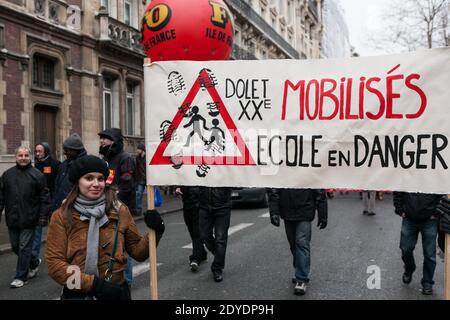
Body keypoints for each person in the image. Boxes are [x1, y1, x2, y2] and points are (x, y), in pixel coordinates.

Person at [45, 155, 165, 300]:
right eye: (89, 178)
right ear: (78, 181)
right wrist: (95, 285)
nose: (96, 184)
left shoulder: (119, 210)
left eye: (100, 179)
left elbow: (138, 252)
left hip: (116, 293)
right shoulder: (61, 216)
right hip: (77, 295)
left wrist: (157, 230)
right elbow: (55, 265)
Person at [0, 146, 50, 288]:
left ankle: (21, 277)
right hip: (12, 219)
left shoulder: (37, 175)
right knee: (16, 246)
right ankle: (34, 262)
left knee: (24, 248)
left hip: (30, 219)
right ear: (16, 157)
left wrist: (42, 218)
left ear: (30, 157)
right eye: (20, 155)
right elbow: (1, 197)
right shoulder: (7, 175)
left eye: (26, 155)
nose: (23, 158)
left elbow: (44, 198)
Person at [268, 188, 328, 295]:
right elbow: (274, 189)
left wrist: (323, 213)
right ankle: (300, 268)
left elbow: (319, 189)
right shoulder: (283, 171)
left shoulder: (311, 170)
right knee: (293, 244)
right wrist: (274, 212)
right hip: (287, 210)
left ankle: (301, 278)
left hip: (305, 209)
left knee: (301, 242)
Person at [98, 128, 136, 286]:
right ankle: (112, 275)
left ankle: (125, 279)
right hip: (106, 207)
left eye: (105, 138)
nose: (102, 141)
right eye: (101, 139)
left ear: (114, 141)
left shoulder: (125, 158)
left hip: (121, 208)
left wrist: (113, 198)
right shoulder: (106, 158)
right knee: (110, 242)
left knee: (124, 244)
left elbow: (127, 183)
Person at [393, 191, 443, 295]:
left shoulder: (435, 174)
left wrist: (436, 212)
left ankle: (427, 282)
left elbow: (441, 191)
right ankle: (409, 268)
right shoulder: (408, 174)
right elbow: (399, 189)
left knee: (430, 254)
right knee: (405, 248)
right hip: (409, 218)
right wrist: (399, 209)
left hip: (430, 220)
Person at [30, 142, 61, 278]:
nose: (37, 154)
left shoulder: (55, 164)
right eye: (36, 151)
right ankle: (35, 259)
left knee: (55, 229)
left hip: (53, 201)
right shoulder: (35, 165)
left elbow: (57, 182)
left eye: (40, 151)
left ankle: (58, 255)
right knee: (36, 232)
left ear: (46, 151)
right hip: (40, 203)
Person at [198, 187, 232, 282]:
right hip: (204, 205)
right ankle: (218, 254)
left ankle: (217, 268)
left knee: (220, 239)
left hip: (223, 206)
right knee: (204, 235)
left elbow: (237, 182)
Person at [52, 133, 87, 211]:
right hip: (59, 208)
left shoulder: (84, 165)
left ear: (76, 150)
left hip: (74, 210)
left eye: (67, 150)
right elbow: (57, 186)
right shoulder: (63, 164)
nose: (64, 153)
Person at [176, 186, 207, 272]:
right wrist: (177, 187)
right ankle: (202, 253)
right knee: (192, 233)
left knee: (196, 233)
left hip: (199, 207)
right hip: (187, 206)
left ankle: (196, 259)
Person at [134, 143, 146, 216]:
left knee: (152, 195)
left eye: (138, 149)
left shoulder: (148, 157)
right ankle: (138, 210)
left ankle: (152, 209)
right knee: (138, 194)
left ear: (142, 150)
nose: (137, 150)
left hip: (148, 179)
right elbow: (137, 168)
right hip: (140, 179)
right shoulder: (137, 158)